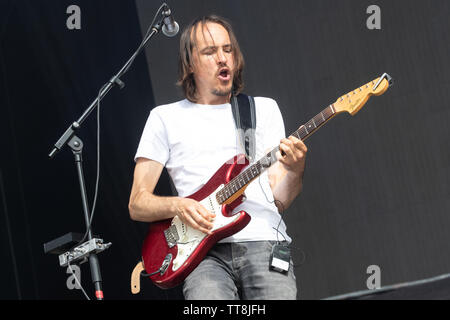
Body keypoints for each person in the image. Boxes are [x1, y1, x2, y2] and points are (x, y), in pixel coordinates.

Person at [128, 15, 307, 300]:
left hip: (265, 241)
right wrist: (180, 206)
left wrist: (295, 170)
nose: (223, 58)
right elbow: (137, 204)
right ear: (190, 64)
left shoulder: (263, 110)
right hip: (201, 254)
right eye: (210, 52)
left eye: (228, 49)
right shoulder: (164, 118)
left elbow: (279, 200)